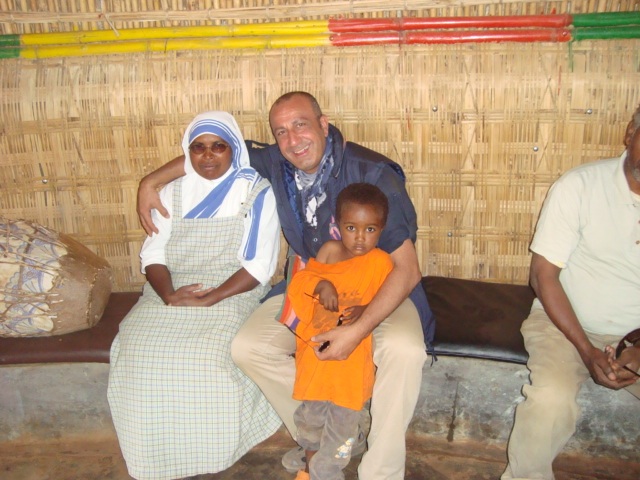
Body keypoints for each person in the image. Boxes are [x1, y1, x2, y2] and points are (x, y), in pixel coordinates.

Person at [137, 92, 435, 480]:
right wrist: (151, 181)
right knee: (249, 348)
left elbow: (407, 270)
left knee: (404, 350)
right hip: (314, 285)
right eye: (281, 132)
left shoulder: (372, 174)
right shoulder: (277, 162)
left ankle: (380, 470)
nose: (293, 140)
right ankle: (331, 438)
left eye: (301, 125)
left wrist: (357, 330)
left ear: (323, 125)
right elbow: (217, 152)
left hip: (379, 289)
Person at [108, 111, 282, 480]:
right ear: (187, 152)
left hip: (233, 289)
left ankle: (211, 451)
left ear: (233, 149)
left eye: (218, 146)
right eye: (198, 147)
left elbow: (258, 267)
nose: (208, 156)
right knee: (137, 348)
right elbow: (154, 254)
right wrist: (169, 295)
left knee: (205, 354)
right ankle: (153, 455)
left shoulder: (256, 192)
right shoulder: (171, 192)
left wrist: (209, 299)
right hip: (171, 287)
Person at [501, 104, 640, 480]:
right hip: (564, 324)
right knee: (550, 399)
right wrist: (587, 350)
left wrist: (637, 349)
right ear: (630, 134)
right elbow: (543, 276)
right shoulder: (580, 186)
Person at [286, 183, 394, 480]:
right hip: (315, 360)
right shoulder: (330, 251)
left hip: (349, 369)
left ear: (382, 229)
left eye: (370, 229)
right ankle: (309, 465)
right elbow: (300, 284)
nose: (360, 237)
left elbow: (388, 299)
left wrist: (366, 310)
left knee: (341, 430)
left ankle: (329, 471)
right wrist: (321, 284)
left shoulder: (380, 262)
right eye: (351, 228)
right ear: (337, 224)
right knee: (310, 422)